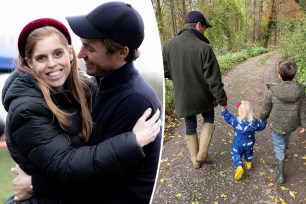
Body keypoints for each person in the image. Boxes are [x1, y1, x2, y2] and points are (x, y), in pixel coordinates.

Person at [12, 2, 162, 204]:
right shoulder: (100, 85)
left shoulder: (133, 100)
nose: (81, 53)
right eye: (41, 57)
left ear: (121, 52)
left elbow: (97, 180)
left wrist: (35, 184)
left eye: (89, 48)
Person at [162, 10, 227, 169]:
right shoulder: (204, 48)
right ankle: (202, 153)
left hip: (182, 96)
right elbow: (213, 79)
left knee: (190, 125)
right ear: (198, 25)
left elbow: (164, 71)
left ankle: (195, 161)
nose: (205, 31)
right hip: (203, 96)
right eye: (205, 27)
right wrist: (222, 99)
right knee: (209, 118)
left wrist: (178, 78)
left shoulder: (168, 45)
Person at [260, 59, 305, 184]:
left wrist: (262, 118)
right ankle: (284, 147)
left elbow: (266, 107)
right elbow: (303, 109)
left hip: (277, 124)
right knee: (287, 134)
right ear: (294, 74)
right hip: (291, 123)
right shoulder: (300, 91)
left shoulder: (273, 90)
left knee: (278, 145)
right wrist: (303, 124)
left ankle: (280, 174)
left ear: (279, 75)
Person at [221, 100, 266, 181]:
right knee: (249, 151)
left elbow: (228, 117)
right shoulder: (254, 122)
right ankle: (248, 163)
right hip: (250, 142)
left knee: (235, 153)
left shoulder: (236, 121)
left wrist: (223, 109)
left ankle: (239, 166)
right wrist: (264, 120)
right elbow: (261, 126)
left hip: (238, 143)